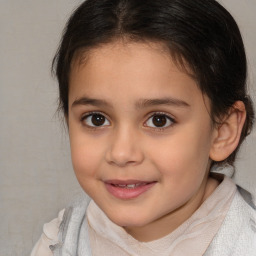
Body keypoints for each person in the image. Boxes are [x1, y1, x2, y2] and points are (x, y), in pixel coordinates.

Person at [31, 0, 256, 255]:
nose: (121, 153)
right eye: (96, 119)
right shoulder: (60, 241)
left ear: (222, 131)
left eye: (159, 120)